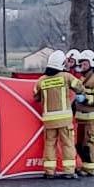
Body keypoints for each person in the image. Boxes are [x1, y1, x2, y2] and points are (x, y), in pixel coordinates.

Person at [34, 49, 81, 178]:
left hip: (48, 120)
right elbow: (79, 87)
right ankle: (69, 171)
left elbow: (36, 97)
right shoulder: (66, 77)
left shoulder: (41, 80)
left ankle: (49, 171)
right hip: (64, 120)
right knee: (67, 144)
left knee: (50, 144)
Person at [73, 50, 94, 176]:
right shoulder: (83, 78)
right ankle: (85, 166)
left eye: (85, 63)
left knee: (90, 144)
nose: (82, 65)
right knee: (81, 144)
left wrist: (85, 98)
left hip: (92, 119)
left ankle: (90, 169)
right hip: (82, 118)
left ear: (92, 63)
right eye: (81, 63)